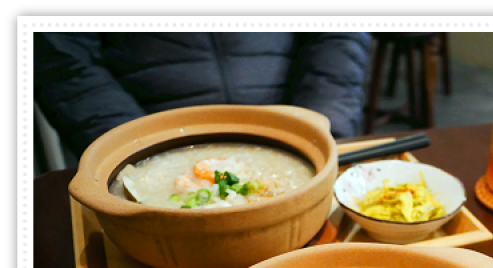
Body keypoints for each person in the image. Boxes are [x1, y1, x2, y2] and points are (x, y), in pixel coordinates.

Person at [34, 32, 372, 157]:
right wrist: (135, 150)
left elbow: (336, 34)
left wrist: (322, 128)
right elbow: (61, 59)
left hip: (294, 131)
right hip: (150, 134)